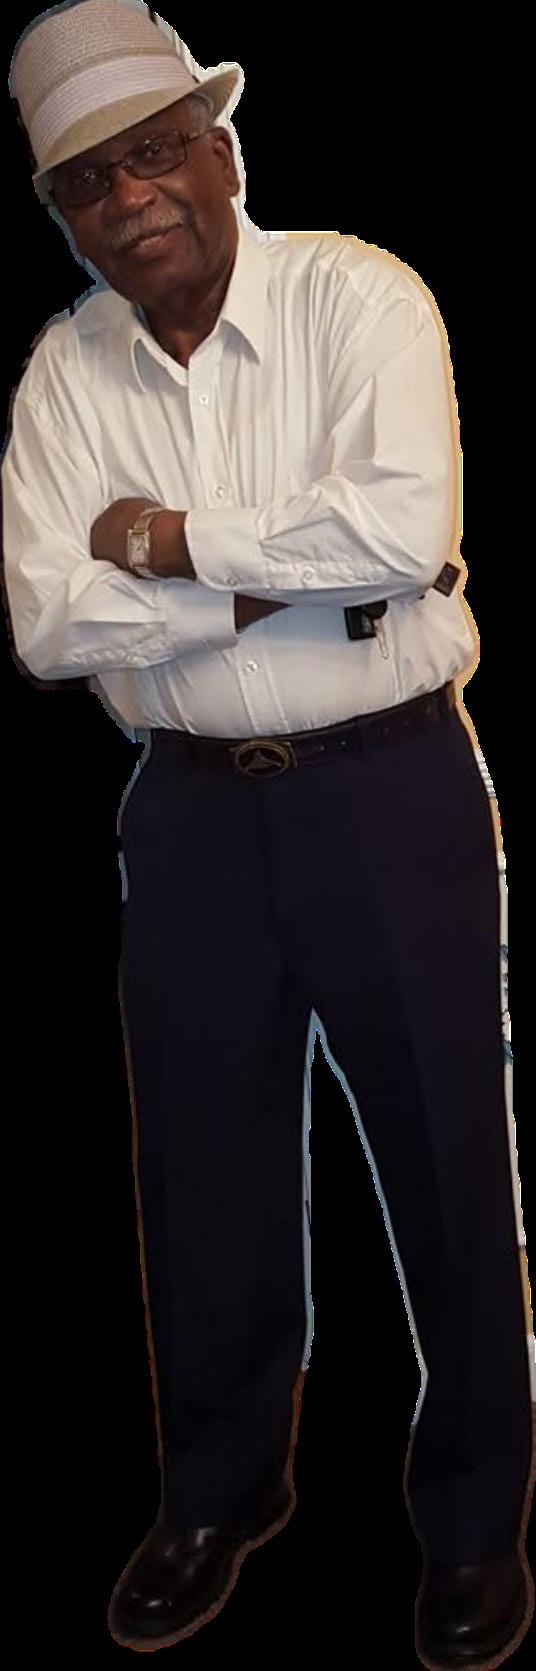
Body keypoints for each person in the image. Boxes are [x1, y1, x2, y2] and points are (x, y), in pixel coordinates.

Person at [2, 2, 534, 1661]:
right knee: (203, 1164)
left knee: (444, 1155)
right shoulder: (64, 372)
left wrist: (162, 544)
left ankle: (474, 1520)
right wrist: (283, 577)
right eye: (89, 181)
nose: (131, 197)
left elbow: (403, 533)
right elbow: (46, 623)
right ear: (68, 213)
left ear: (221, 151)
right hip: (186, 819)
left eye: (157, 152)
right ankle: (219, 1493)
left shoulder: (359, 297)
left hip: (389, 790)